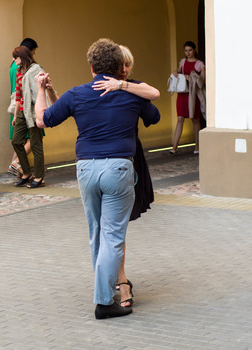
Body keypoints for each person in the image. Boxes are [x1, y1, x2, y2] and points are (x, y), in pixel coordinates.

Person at [35, 38, 160, 319]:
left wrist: (40, 90)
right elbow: (154, 113)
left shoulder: (77, 94)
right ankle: (104, 302)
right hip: (118, 168)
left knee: (97, 232)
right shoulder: (132, 94)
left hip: (86, 169)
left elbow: (43, 119)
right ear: (119, 67)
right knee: (114, 235)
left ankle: (107, 291)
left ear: (91, 67)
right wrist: (128, 89)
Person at [93, 45, 160, 307]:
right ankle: (119, 281)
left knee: (117, 228)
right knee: (111, 229)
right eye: (122, 64)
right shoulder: (95, 88)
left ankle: (120, 280)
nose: (125, 69)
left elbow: (153, 113)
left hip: (128, 160)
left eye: (128, 65)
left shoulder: (132, 88)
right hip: (100, 164)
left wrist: (124, 87)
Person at [11, 46, 45, 188]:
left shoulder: (36, 70)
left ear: (23, 57)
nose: (14, 60)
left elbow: (40, 91)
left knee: (36, 144)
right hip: (22, 112)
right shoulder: (19, 71)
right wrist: (15, 115)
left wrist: (40, 112)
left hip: (33, 110)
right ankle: (26, 172)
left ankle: (39, 177)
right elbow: (18, 95)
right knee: (16, 141)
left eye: (16, 57)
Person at [8, 38, 38, 177]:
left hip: (16, 106)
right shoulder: (23, 67)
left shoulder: (12, 66)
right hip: (24, 106)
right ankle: (16, 163)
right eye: (33, 51)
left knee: (19, 140)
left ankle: (20, 172)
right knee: (33, 140)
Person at [170, 41, 205, 154]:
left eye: (190, 50)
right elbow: (179, 72)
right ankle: (174, 147)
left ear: (194, 50)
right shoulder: (182, 61)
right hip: (182, 93)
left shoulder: (200, 64)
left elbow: (202, 81)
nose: (188, 53)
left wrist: (192, 76)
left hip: (193, 94)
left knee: (195, 120)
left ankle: (197, 146)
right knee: (180, 118)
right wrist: (176, 72)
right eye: (186, 50)